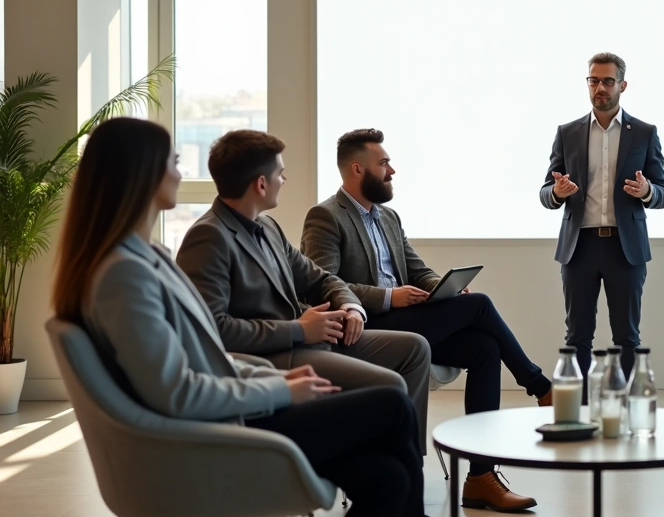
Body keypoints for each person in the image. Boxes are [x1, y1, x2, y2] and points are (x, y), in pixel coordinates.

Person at [52, 118, 425, 516]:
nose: (181, 174)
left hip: (236, 404)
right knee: (392, 404)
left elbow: (202, 351)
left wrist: (274, 379)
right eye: (173, 162)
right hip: (218, 430)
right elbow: (179, 390)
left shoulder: (147, 255)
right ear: (142, 173)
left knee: (388, 476)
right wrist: (281, 389)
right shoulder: (125, 274)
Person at [301, 128, 551, 512]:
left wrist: (443, 289)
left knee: (484, 349)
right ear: (357, 169)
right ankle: (539, 386)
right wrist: (390, 297)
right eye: (384, 163)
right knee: (481, 306)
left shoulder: (388, 217)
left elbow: (418, 270)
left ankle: (481, 477)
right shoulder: (326, 216)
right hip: (366, 328)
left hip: (408, 322)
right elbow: (324, 285)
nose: (392, 171)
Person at [175, 130, 433, 438]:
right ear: (261, 184)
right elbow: (213, 329)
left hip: (312, 338)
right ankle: (384, 458)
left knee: (416, 349)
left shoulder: (267, 226)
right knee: (391, 385)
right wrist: (298, 330)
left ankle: (408, 456)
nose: (284, 181)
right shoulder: (208, 237)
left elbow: (320, 278)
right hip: (275, 354)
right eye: (280, 174)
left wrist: (350, 306)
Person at [539, 52, 664, 379]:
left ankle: (623, 405)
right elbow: (545, 192)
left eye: (608, 81)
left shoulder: (644, 133)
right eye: (594, 80)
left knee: (627, 337)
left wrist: (647, 191)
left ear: (622, 85)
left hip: (625, 249)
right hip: (578, 247)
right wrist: (558, 192)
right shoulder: (567, 133)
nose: (600, 87)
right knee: (577, 337)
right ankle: (581, 407)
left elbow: (663, 193)